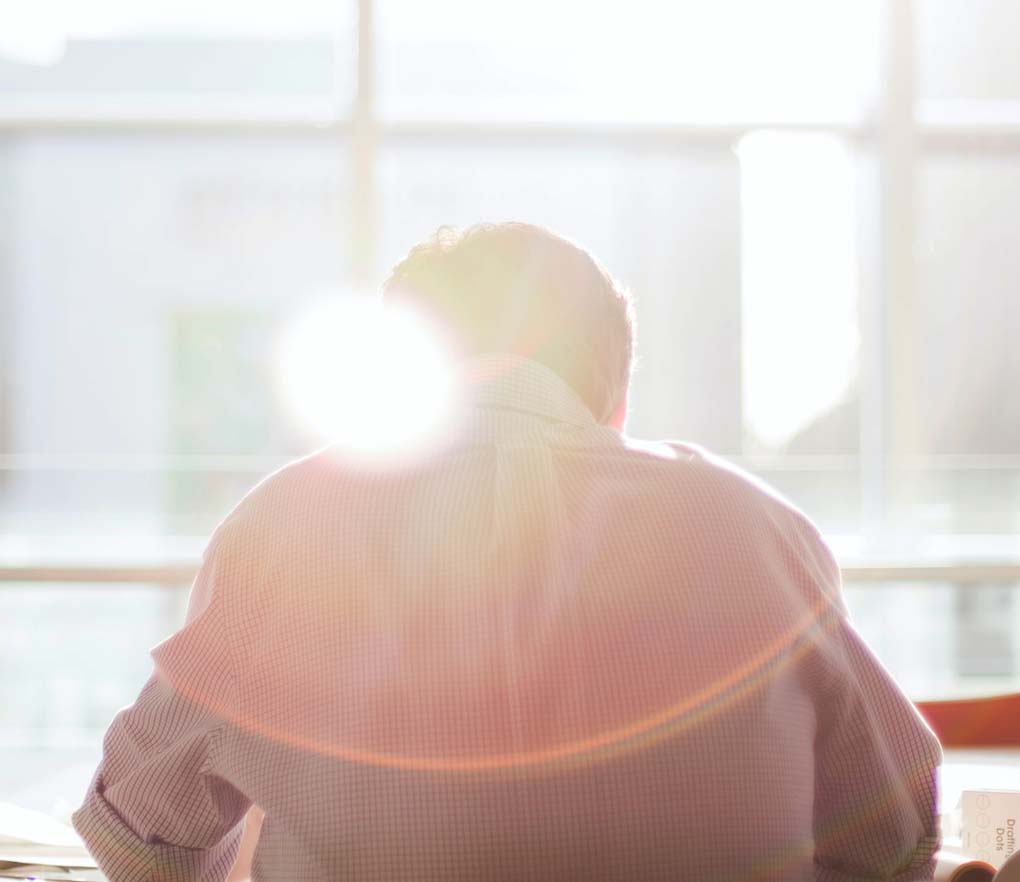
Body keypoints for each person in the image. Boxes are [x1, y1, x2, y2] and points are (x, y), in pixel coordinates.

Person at [73, 222, 941, 881]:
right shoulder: (756, 529)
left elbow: (141, 839)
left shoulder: (287, 524)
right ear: (615, 386)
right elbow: (894, 832)